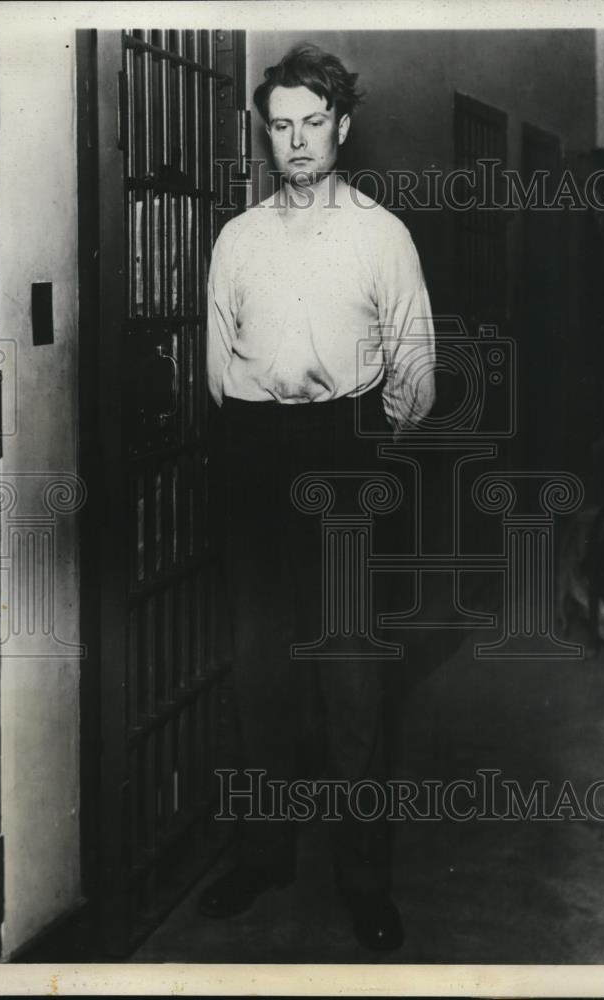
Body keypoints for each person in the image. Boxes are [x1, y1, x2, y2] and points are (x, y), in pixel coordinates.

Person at [198, 41, 436, 952]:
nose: (296, 141)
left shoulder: (381, 235)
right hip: (256, 453)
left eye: (313, 123)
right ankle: (262, 857)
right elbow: (220, 371)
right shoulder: (238, 237)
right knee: (260, 672)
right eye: (280, 125)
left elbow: (415, 369)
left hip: (347, 453)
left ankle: (363, 882)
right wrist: (267, 429)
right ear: (266, 132)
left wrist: (364, 451)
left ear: (342, 125)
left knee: (350, 681)